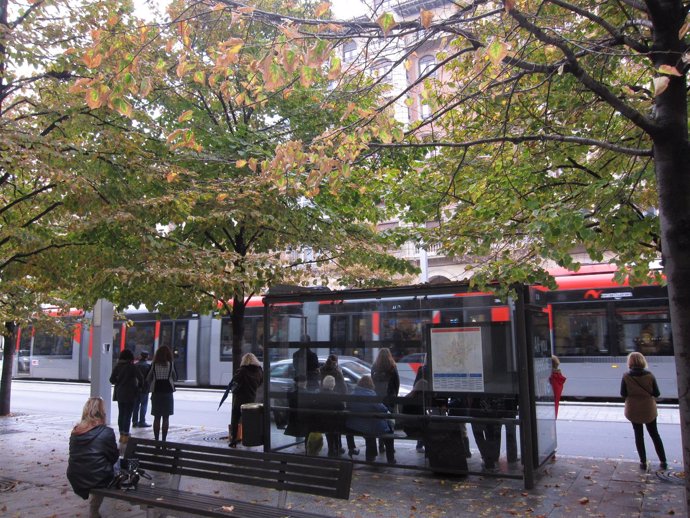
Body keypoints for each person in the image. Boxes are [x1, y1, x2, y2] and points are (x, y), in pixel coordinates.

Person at [66, 397, 119, 518]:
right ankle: (94, 508)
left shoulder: (75, 432)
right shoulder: (107, 432)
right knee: (114, 465)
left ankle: (94, 509)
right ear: (102, 413)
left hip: (75, 475)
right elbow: (113, 457)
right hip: (98, 477)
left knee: (97, 466)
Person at [620, 351, 668, 470]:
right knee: (654, 434)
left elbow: (623, 394)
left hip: (633, 409)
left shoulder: (626, 376)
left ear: (630, 362)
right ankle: (663, 461)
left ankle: (643, 462)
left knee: (638, 435)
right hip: (648, 408)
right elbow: (657, 393)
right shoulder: (650, 375)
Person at [346, 375, 396, 464]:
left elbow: (348, 407)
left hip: (354, 425)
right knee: (389, 434)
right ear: (370, 384)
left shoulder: (352, 394)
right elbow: (383, 409)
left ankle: (371, 456)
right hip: (369, 426)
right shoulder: (371, 395)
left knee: (369, 433)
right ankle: (390, 458)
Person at [319, 354, 358, 455]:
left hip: (324, 410)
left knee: (329, 426)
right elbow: (344, 388)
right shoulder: (337, 372)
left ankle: (332, 448)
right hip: (335, 401)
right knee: (341, 423)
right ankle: (341, 447)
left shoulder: (321, 370)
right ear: (336, 361)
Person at [229, 352, 263, 447]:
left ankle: (234, 440)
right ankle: (249, 440)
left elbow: (235, 381)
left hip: (240, 399)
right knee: (248, 420)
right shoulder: (259, 370)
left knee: (235, 418)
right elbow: (260, 382)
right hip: (251, 398)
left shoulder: (242, 370)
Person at [109, 348, 143, 443]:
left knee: (121, 413)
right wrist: (139, 387)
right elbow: (141, 379)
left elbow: (111, 380)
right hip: (130, 393)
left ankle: (121, 434)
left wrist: (119, 382)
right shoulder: (133, 367)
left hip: (119, 393)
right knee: (128, 414)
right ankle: (125, 435)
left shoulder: (117, 366)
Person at [370, 348, 400, 455]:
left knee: (379, 421)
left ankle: (380, 445)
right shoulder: (392, 367)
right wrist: (394, 396)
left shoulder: (374, 367)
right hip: (389, 398)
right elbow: (397, 383)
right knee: (389, 423)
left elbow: (371, 383)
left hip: (378, 398)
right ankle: (389, 448)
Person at [146, 345, 177, 444]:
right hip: (168, 392)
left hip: (156, 392)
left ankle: (156, 440)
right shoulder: (171, 364)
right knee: (166, 417)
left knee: (157, 417)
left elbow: (148, 378)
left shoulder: (154, 364)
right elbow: (175, 377)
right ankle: (164, 439)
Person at [132, 351, 152, 428]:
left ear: (140, 356)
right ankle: (142, 421)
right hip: (145, 388)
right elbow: (150, 378)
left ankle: (134, 421)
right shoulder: (148, 366)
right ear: (147, 357)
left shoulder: (135, 365)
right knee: (143, 405)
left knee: (135, 405)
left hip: (136, 388)